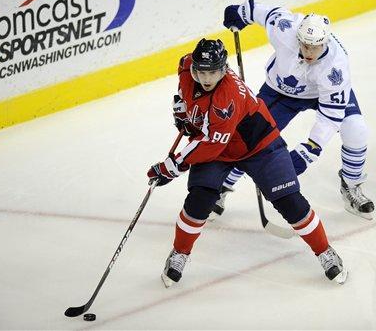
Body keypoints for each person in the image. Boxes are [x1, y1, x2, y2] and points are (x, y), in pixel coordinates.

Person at [147, 38, 348, 287]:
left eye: (213, 73)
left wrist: (171, 166)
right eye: (202, 72)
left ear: (224, 69)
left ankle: (325, 251)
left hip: (259, 146)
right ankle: (180, 253)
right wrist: (182, 108)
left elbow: (211, 144)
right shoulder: (187, 65)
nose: (207, 79)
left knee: (290, 203)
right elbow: (183, 85)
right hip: (219, 147)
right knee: (199, 200)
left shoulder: (226, 98)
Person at [217, 0, 374, 220]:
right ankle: (220, 187)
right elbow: (265, 11)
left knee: (356, 129)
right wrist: (241, 12)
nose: (309, 51)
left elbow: (330, 118)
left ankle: (351, 184)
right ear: (298, 37)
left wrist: (309, 151)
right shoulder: (286, 28)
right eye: (305, 45)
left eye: (315, 47)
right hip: (280, 92)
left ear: (325, 42)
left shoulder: (335, 69)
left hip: (322, 94)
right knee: (248, 136)